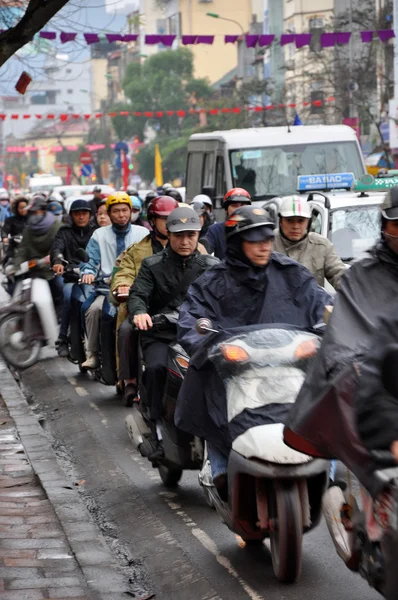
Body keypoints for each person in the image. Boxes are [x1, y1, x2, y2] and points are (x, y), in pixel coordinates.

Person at [176, 205, 332, 497]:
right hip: (236, 372)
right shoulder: (212, 282)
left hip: (292, 368)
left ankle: (329, 473)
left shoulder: (292, 274)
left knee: (329, 395)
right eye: (254, 240)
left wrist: (328, 327)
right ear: (236, 242)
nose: (263, 247)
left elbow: (320, 305)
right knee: (207, 388)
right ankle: (220, 467)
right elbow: (192, 319)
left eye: (267, 240)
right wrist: (206, 343)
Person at [284, 187, 398, 538]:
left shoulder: (322, 248)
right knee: (351, 389)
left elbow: (332, 275)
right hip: (378, 387)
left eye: (300, 220)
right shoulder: (363, 276)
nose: (295, 226)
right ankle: (367, 506)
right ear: (385, 227)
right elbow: (348, 337)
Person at [128, 207, 219, 455]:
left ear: (198, 235)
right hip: (162, 334)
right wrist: (140, 313)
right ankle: (156, 426)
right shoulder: (151, 265)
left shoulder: (212, 266)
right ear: (168, 234)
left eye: (191, 235)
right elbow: (138, 295)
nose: (185, 241)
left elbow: (229, 297)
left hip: (201, 335)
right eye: (179, 235)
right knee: (157, 368)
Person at [112, 196, 179, 404]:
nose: (169, 225)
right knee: (126, 329)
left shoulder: (195, 250)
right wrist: (122, 286)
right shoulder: (136, 251)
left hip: (184, 312)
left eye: (172, 219)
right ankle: (130, 380)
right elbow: (122, 274)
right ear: (152, 220)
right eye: (163, 219)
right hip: (145, 310)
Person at [80, 192, 148, 369]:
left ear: (131, 212)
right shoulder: (99, 235)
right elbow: (90, 261)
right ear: (109, 213)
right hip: (106, 290)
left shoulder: (143, 233)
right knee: (93, 311)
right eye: (116, 211)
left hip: (138, 289)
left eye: (125, 210)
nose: (121, 215)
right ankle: (93, 353)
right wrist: (88, 272)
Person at [51, 199, 96, 357]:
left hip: (96, 280)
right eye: (77, 214)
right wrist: (57, 261)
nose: (81, 217)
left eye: (84, 213)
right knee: (68, 297)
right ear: (71, 216)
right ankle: (62, 338)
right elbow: (57, 248)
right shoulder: (64, 232)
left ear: (90, 215)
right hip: (73, 278)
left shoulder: (97, 232)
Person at [273, 196, 346, 289]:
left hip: (314, 302)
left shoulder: (321, 245)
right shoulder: (267, 243)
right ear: (281, 221)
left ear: (309, 222)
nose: (295, 226)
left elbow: (339, 275)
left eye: (301, 221)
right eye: (289, 220)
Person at [14, 195, 63, 309]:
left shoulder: (56, 227)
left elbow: (58, 250)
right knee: (16, 290)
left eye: (36, 212)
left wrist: (51, 261)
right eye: (32, 212)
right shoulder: (28, 230)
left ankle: (63, 317)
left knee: (61, 288)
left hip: (53, 270)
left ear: (44, 211)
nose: (34, 215)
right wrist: (16, 268)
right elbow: (22, 250)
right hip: (33, 269)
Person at [204, 188, 252, 259]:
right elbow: (204, 253)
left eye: (243, 205)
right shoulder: (215, 230)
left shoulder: (254, 228)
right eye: (234, 205)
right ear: (226, 209)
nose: (239, 209)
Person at [2, 197, 28, 263]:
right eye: (21, 208)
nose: (23, 210)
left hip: (30, 246)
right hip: (15, 245)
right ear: (16, 208)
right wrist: (5, 237)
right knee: (8, 260)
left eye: (25, 207)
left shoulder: (32, 219)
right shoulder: (10, 220)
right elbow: (5, 230)